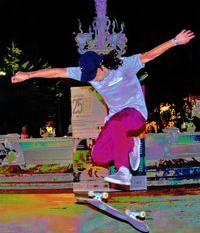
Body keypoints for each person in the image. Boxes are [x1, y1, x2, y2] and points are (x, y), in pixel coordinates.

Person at [11, 29, 195, 185]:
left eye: (93, 75)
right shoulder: (85, 73)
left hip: (135, 113)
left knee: (116, 123)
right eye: (87, 76)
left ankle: (124, 171)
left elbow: (149, 55)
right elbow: (57, 71)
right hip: (117, 118)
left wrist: (176, 41)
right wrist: (27, 75)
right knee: (98, 154)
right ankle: (132, 143)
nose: (91, 79)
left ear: (102, 65)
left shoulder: (124, 65)